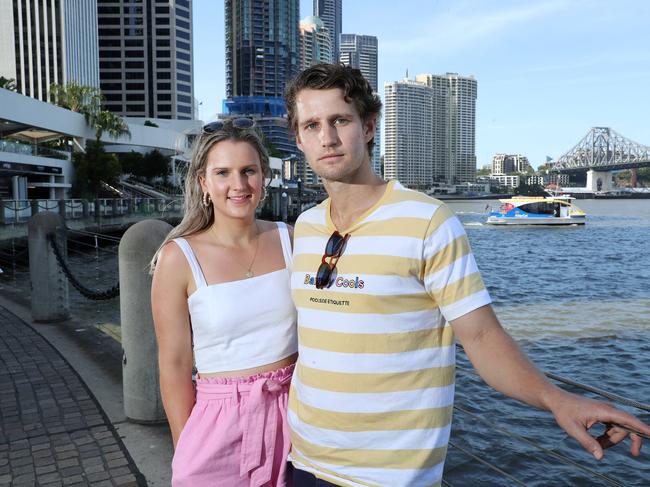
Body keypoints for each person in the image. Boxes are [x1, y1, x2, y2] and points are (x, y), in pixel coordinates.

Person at [283, 63, 650, 486]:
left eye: (339, 120)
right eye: (311, 125)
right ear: (298, 140)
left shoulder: (428, 221)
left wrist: (556, 398)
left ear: (368, 127)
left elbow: (481, 336)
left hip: (389, 475)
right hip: (305, 461)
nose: (326, 137)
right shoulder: (306, 226)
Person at [150, 119, 297, 486]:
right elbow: (174, 365)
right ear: (203, 182)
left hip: (297, 413)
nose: (239, 184)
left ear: (264, 176)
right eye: (223, 172)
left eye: (249, 171)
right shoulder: (178, 258)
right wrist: (186, 444)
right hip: (218, 422)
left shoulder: (292, 240)